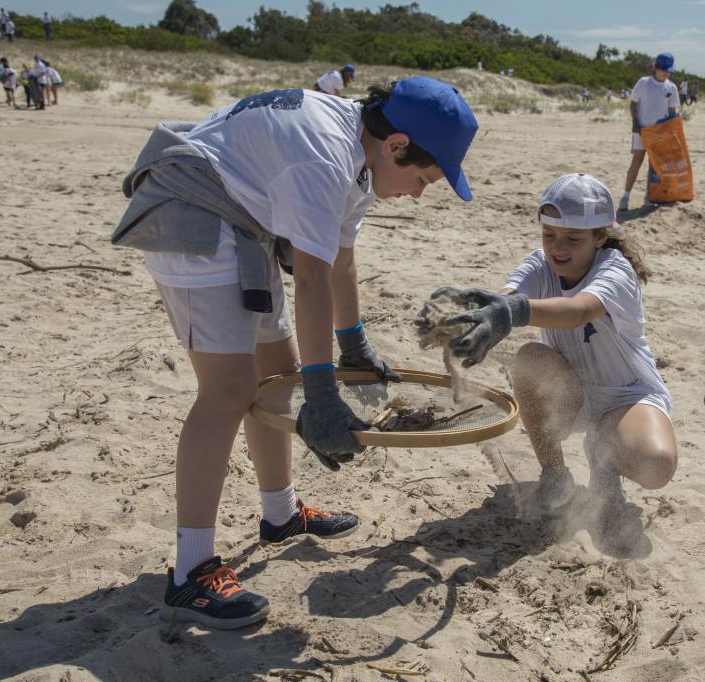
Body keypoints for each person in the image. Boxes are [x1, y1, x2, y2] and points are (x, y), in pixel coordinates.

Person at [109, 78, 479, 630]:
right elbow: (310, 278)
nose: (419, 193)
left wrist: (352, 341)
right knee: (229, 390)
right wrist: (324, 394)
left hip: (242, 222)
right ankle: (190, 573)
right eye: (423, 178)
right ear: (396, 145)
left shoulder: (361, 154)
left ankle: (279, 516)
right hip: (192, 210)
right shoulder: (324, 159)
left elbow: (341, 261)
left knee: (278, 376)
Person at [427, 173, 676, 552]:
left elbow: (577, 310)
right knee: (529, 359)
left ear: (600, 237)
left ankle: (604, 465)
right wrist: (462, 319)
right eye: (549, 235)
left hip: (625, 397)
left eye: (573, 239)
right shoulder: (540, 265)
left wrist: (513, 312)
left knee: (656, 466)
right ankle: (554, 474)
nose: (558, 248)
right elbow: (506, 297)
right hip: (569, 392)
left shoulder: (616, 269)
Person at [619, 52, 679, 211]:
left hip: (659, 133)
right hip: (641, 130)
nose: (666, 73)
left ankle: (648, 197)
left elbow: (672, 112)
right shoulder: (643, 83)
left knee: (654, 167)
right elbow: (633, 104)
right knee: (636, 162)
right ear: (656, 68)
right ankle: (625, 196)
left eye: (669, 70)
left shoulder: (671, 87)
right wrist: (635, 122)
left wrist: (671, 132)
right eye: (664, 69)